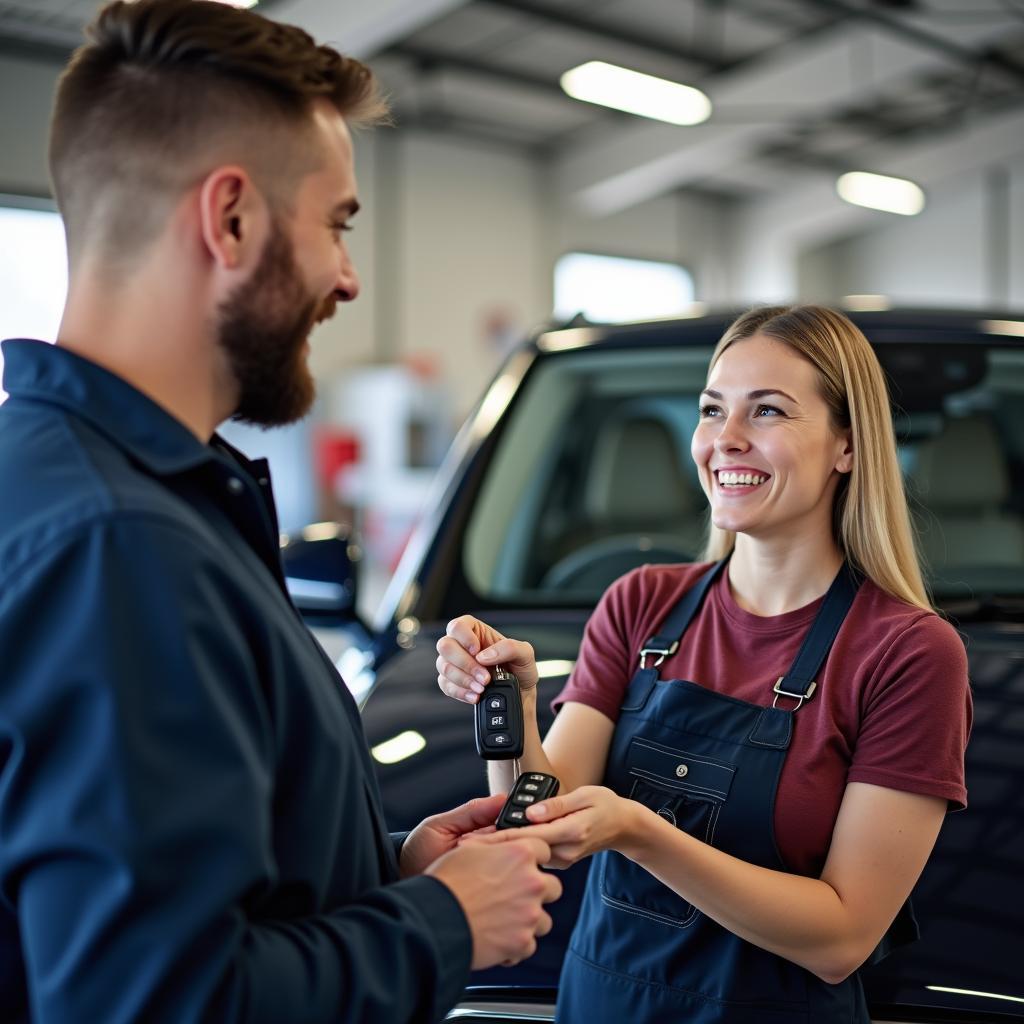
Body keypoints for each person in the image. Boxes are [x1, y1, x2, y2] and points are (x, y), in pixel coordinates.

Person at [0, 2, 561, 1021]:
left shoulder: (110, 493)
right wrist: (441, 922)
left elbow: (180, 899)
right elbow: (151, 1000)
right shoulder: (119, 547)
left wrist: (388, 872)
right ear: (231, 219)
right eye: (338, 225)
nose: (347, 278)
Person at [437, 305, 972, 1023]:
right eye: (712, 409)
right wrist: (509, 700)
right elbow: (541, 826)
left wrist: (640, 831)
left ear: (847, 445)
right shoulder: (640, 603)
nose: (726, 440)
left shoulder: (908, 654)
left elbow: (842, 937)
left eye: (769, 411)